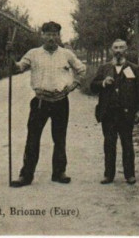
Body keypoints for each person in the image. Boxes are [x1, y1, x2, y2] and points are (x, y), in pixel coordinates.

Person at [9, 21, 87, 187]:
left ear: (59, 36)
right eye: (48, 34)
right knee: (32, 139)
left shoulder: (66, 54)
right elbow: (17, 68)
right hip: (40, 102)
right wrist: (10, 56)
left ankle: (59, 173)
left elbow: (81, 70)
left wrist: (73, 86)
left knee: (59, 139)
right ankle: (26, 175)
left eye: (54, 34)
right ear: (42, 35)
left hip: (60, 101)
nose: (51, 38)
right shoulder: (33, 54)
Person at [90, 39, 139, 185]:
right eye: (115, 48)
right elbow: (92, 87)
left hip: (126, 113)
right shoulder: (104, 68)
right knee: (109, 143)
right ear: (111, 50)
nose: (118, 50)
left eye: (121, 47)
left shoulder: (134, 69)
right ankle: (109, 174)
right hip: (108, 112)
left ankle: (130, 175)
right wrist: (102, 83)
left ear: (126, 50)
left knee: (127, 143)